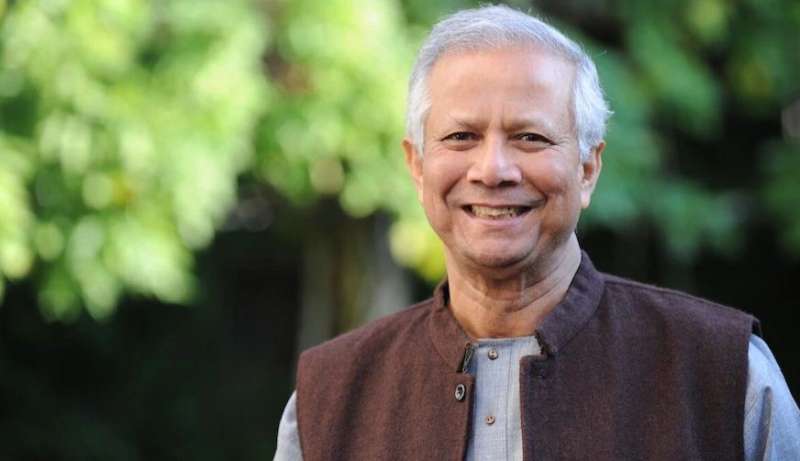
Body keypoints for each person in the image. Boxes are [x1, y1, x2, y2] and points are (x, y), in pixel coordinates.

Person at [274, 5, 800, 460]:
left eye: (529, 137)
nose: (493, 170)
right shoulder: (329, 399)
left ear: (588, 168)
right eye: (461, 136)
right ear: (417, 166)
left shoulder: (723, 375)